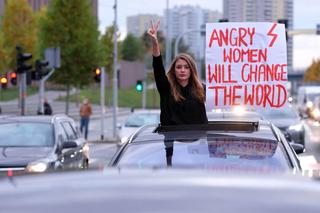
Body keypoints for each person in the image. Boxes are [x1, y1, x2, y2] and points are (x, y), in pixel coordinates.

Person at [147, 20, 208, 125]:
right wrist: (155, 44)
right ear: (173, 70)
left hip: (199, 139)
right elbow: (158, 69)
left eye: (186, 67)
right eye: (179, 67)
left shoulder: (202, 89)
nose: (183, 70)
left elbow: (222, 93)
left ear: (191, 70)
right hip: (171, 138)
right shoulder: (166, 88)